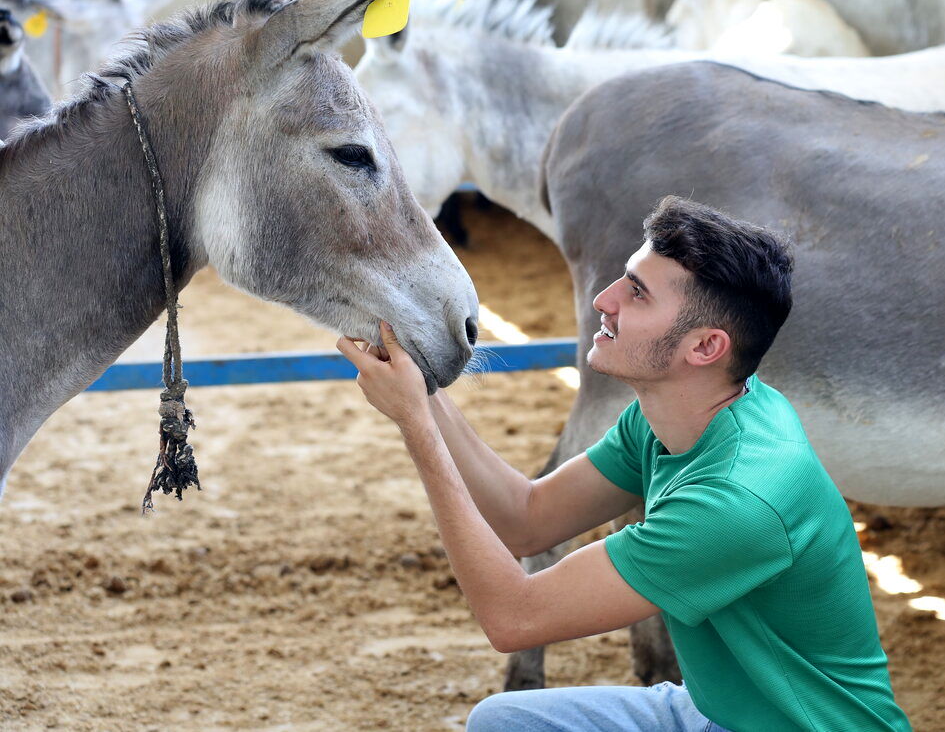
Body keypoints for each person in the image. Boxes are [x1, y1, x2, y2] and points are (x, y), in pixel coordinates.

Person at [338, 196, 911, 732]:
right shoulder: (683, 410)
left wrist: (415, 425)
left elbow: (513, 618)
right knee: (502, 722)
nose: (603, 300)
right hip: (713, 709)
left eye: (637, 294)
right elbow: (527, 518)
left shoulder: (737, 502)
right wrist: (427, 391)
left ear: (705, 348)